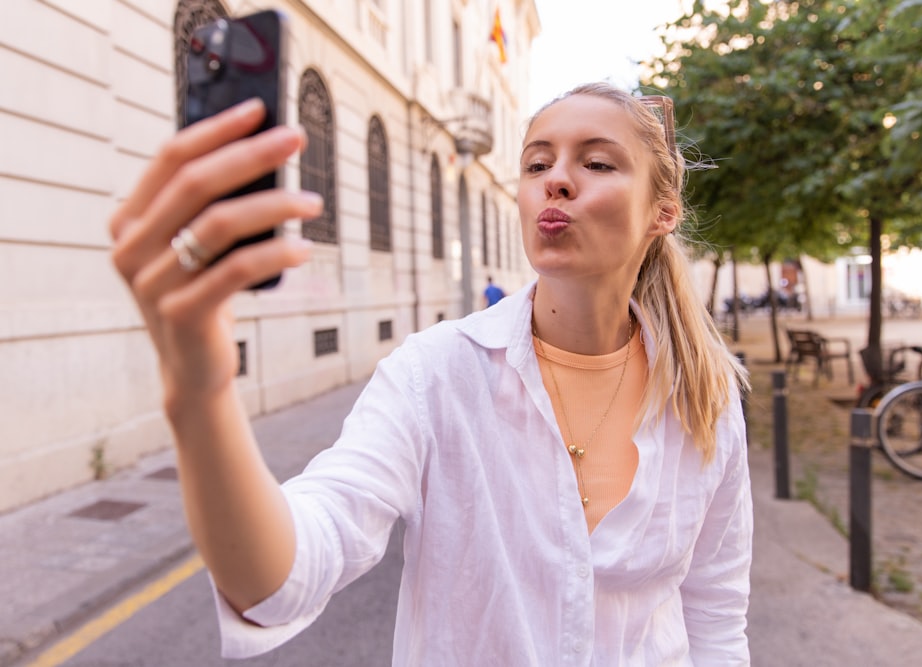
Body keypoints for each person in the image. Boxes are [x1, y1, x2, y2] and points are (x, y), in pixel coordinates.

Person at [109, 82, 752, 665]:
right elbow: (288, 571)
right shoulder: (434, 376)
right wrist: (200, 394)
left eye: (596, 162)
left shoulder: (705, 396)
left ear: (662, 212)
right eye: (536, 163)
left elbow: (715, 613)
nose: (556, 180)